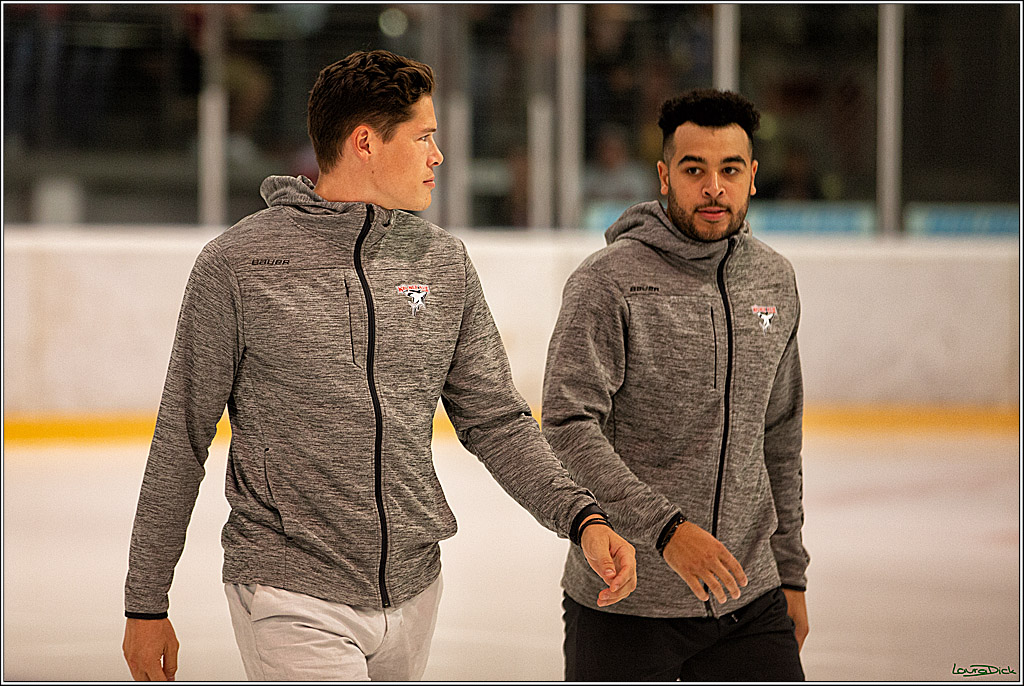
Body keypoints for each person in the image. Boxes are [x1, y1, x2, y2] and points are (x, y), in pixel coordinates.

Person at [122, 49, 637, 682]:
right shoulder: (239, 265)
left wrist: (581, 517)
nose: (437, 156)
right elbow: (181, 436)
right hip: (288, 591)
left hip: (415, 589)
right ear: (365, 142)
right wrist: (146, 602)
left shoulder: (443, 263)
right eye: (423, 137)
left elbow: (498, 423)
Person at [542, 89, 810, 681]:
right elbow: (566, 425)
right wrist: (666, 531)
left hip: (750, 597)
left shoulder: (774, 279)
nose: (713, 186)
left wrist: (790, 571)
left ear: (753, 178)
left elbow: (779, 434)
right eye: (695, 169)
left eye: (729, 169)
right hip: (624, 604)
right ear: (664, 176)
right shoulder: (608, 282)